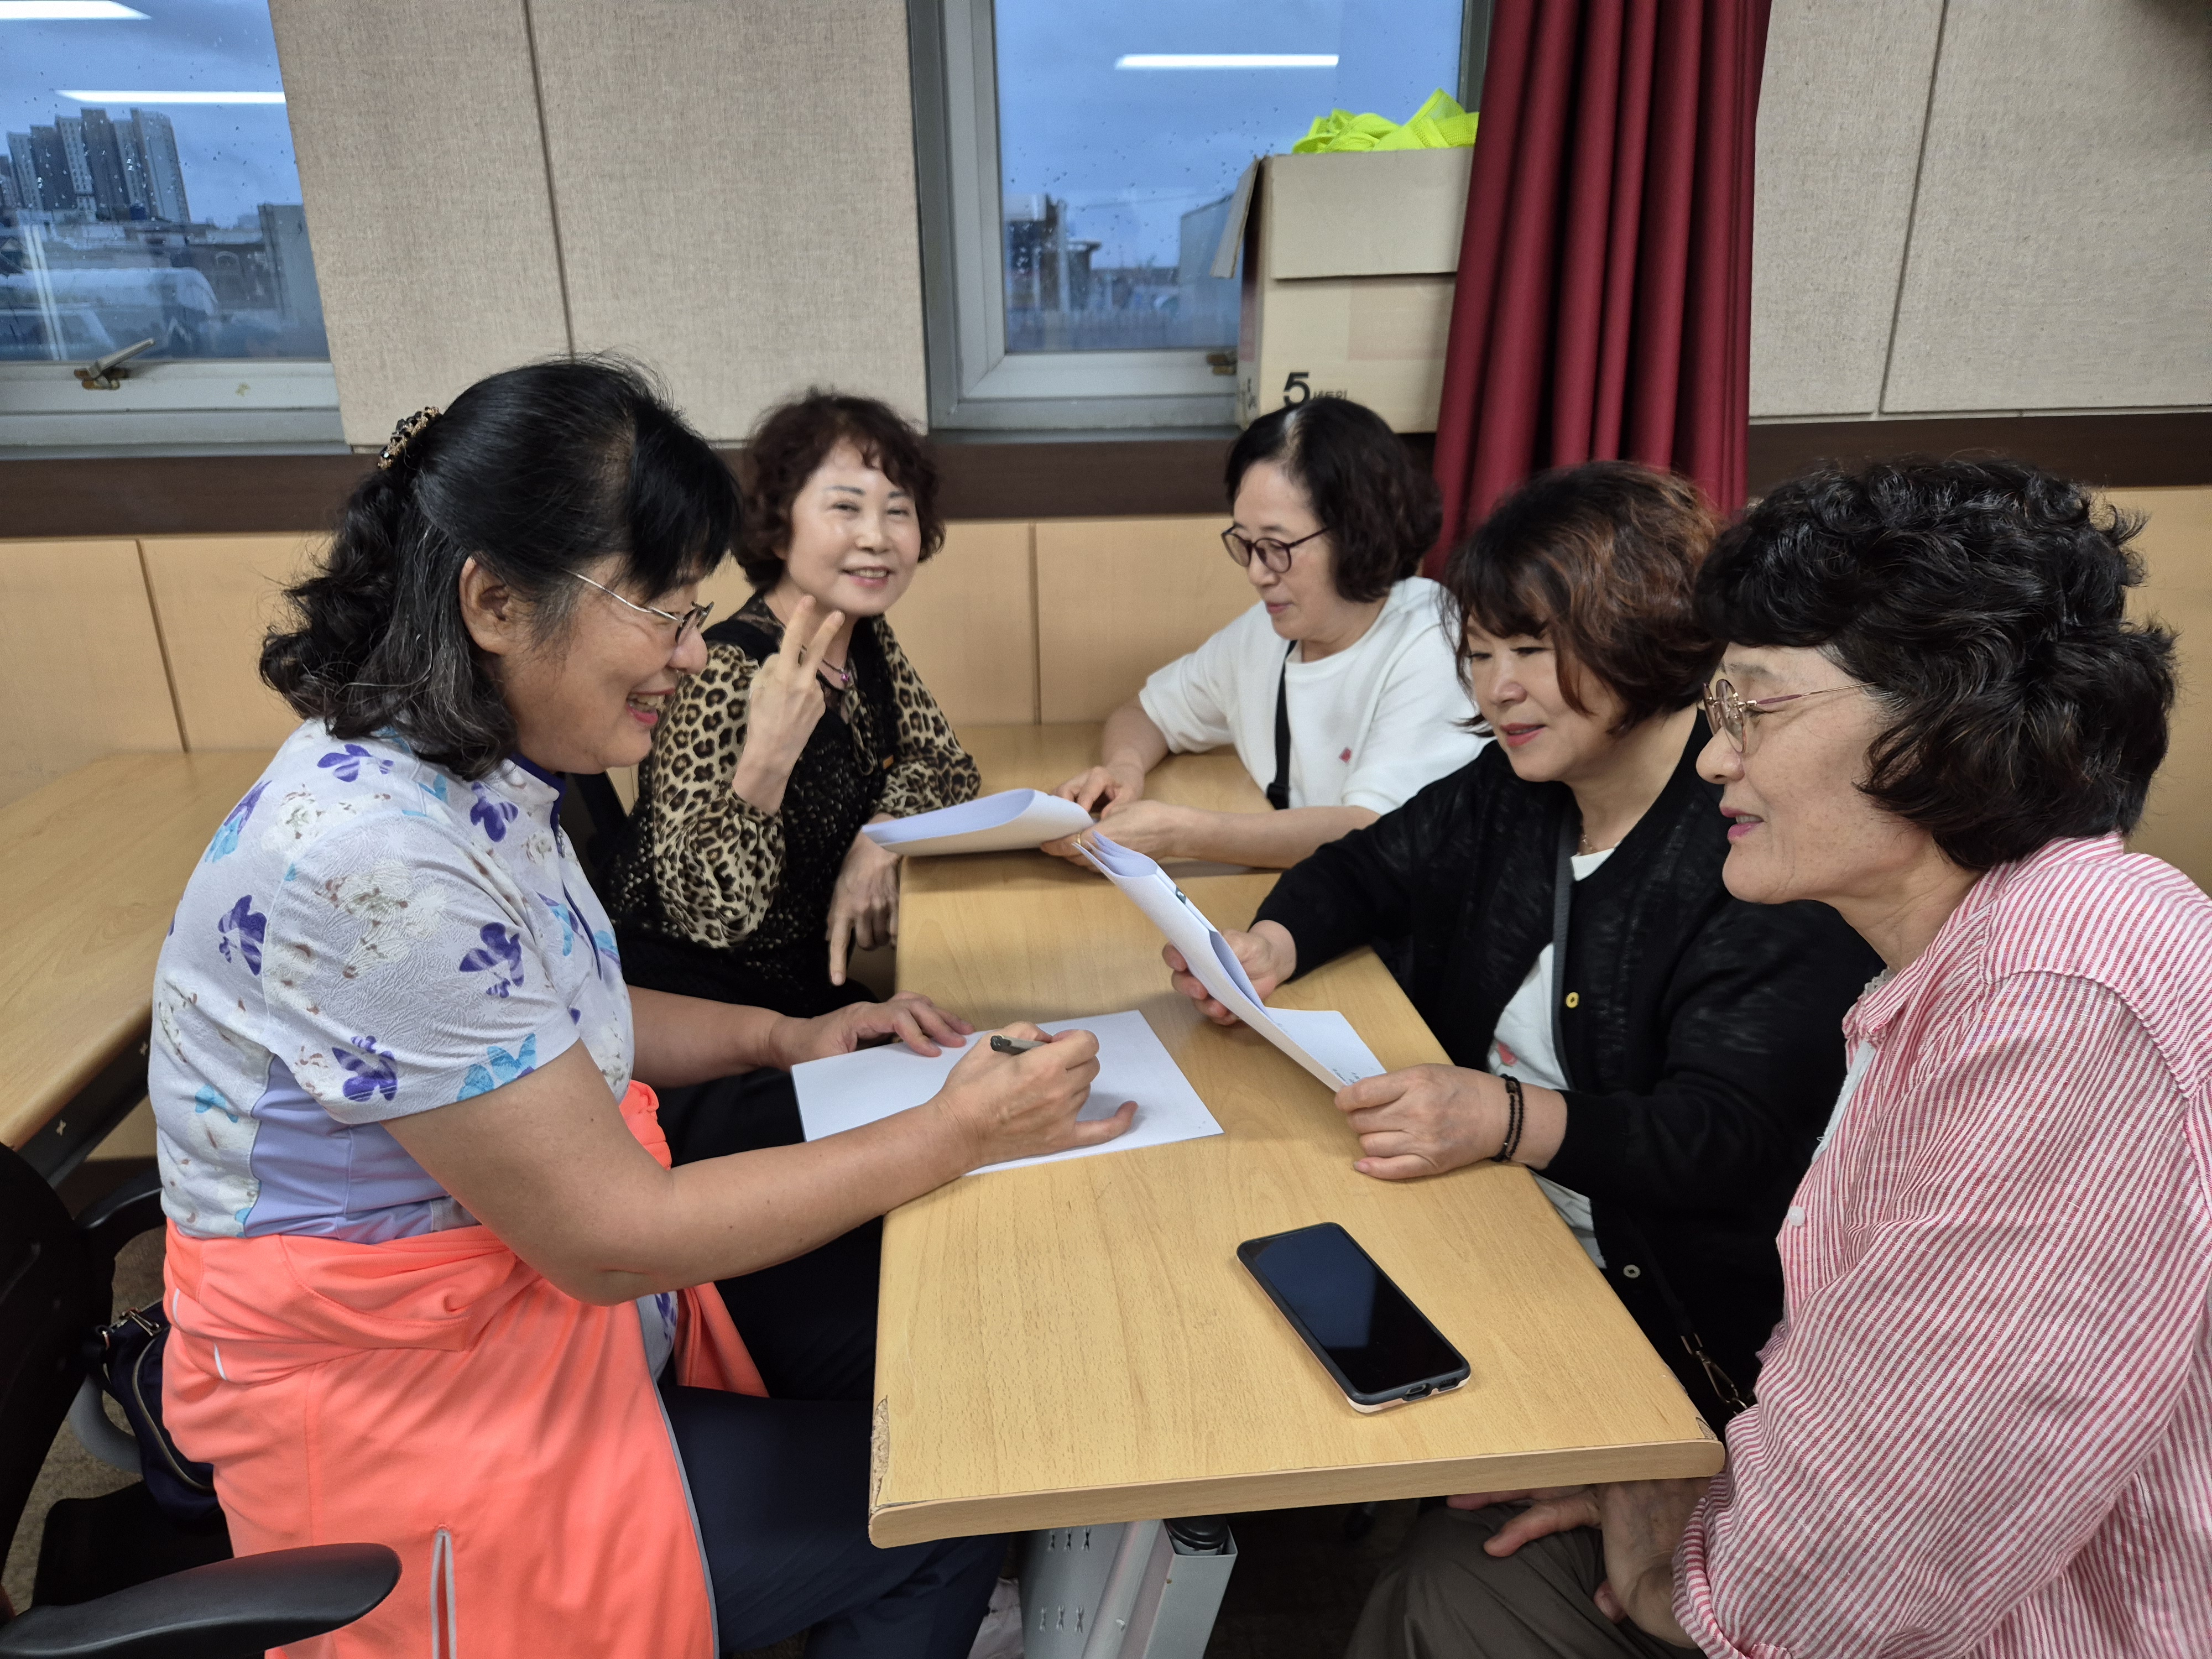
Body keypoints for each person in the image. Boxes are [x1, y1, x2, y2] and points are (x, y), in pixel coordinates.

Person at [150, 359, 1133, 1659]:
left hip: (532, 1301)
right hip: (418, 1417)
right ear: (494, 601)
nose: (690, 653)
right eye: (664, 613)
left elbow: (552, 1025)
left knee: (935, 1332)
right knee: (939, 1501)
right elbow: (609, 1239)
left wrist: (785, 1037)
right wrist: (953, 1129)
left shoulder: (463, 776)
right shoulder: (372, 867)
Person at [1352, 458, 2211, 1659]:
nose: (1714, 759)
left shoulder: (2057, 1010)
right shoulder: (1985, 950)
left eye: (1755, 708)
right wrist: (1687, 1493)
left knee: (1453, 1590)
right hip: (1821, 1533)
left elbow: (1862, 1569)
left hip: (2012, 1626)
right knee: (1448, 1566)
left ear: (1941, 717)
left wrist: (1671, 1573)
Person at [1169, 460, 1880, 1430]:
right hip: (1485, 1204)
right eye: (1479, 652)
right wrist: (1268, 945)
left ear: (1642, 629)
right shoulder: (1515, 786)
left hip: (1643, 1296)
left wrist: (1507, 1118)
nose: (1499, 688)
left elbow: (1724, 1141)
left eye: (1533, 649)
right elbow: (1368, 867)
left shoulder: (1754, 846)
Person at [605, 389, 979, 1016]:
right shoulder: (721, 669)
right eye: (845, 508)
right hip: (693, 1003)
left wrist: (879, 839)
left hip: (802, 989)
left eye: (898, 510)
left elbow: (946, 766)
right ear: (779, 528)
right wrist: (769, 761)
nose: (877, 536)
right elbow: (710, 916)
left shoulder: (863, 640)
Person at [1047, 395, 1482, 868]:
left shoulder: (1433, 641)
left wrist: (1179, 834)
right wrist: (1123, 771)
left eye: (1276, 546)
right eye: (1246, 543)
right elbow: (1145, 713)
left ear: (1359, 534)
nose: (1257, 573)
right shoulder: (1267, 631)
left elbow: (1372, 831)